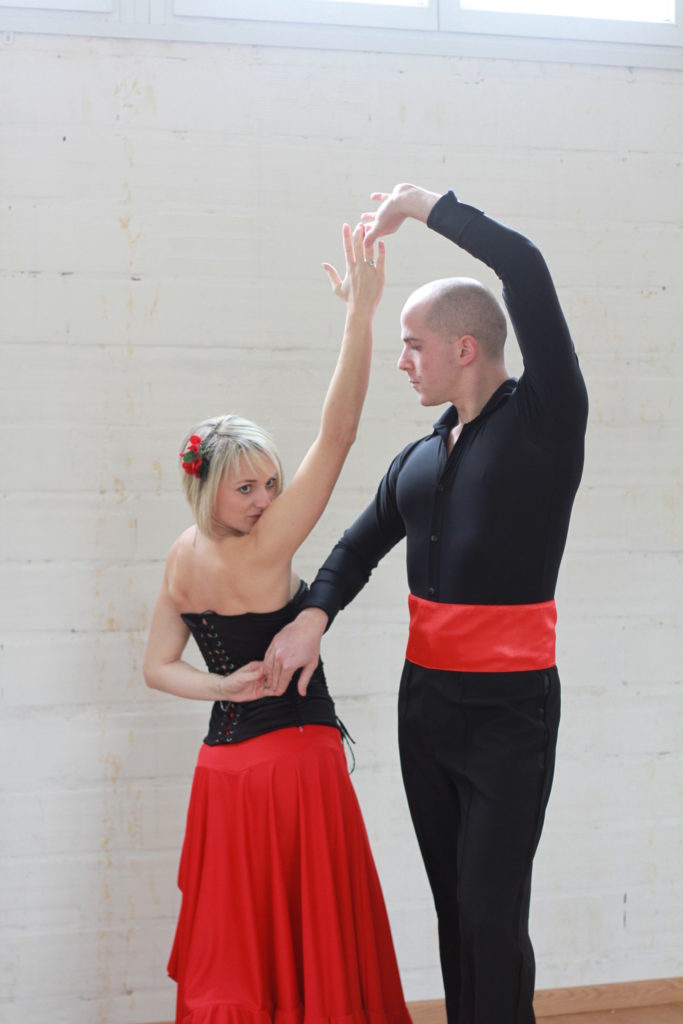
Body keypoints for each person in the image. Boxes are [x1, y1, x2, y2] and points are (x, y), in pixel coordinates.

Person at [263, 184, 589, 1024]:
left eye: (412, 345)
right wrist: (311, 616)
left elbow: (525, 266)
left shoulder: (546, 424)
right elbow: (354, 549)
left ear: (466, 348)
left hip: (510, 716)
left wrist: (422, 206)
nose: (402, 360)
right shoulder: (417, 456)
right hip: (427, 711)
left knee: (489, 918)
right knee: (453, 914)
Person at [143, 222, 412, 1024]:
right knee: (315, 943)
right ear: (212, 492)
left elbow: (158, 666)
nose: (264, 500)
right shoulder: (268, 547)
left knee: (241, 953)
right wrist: (359, 315)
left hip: (223, 779)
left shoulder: (181, 557)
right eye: (247, 488)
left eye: (270, 483)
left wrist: (222, 682)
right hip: (293, 771)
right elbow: (340, 433)